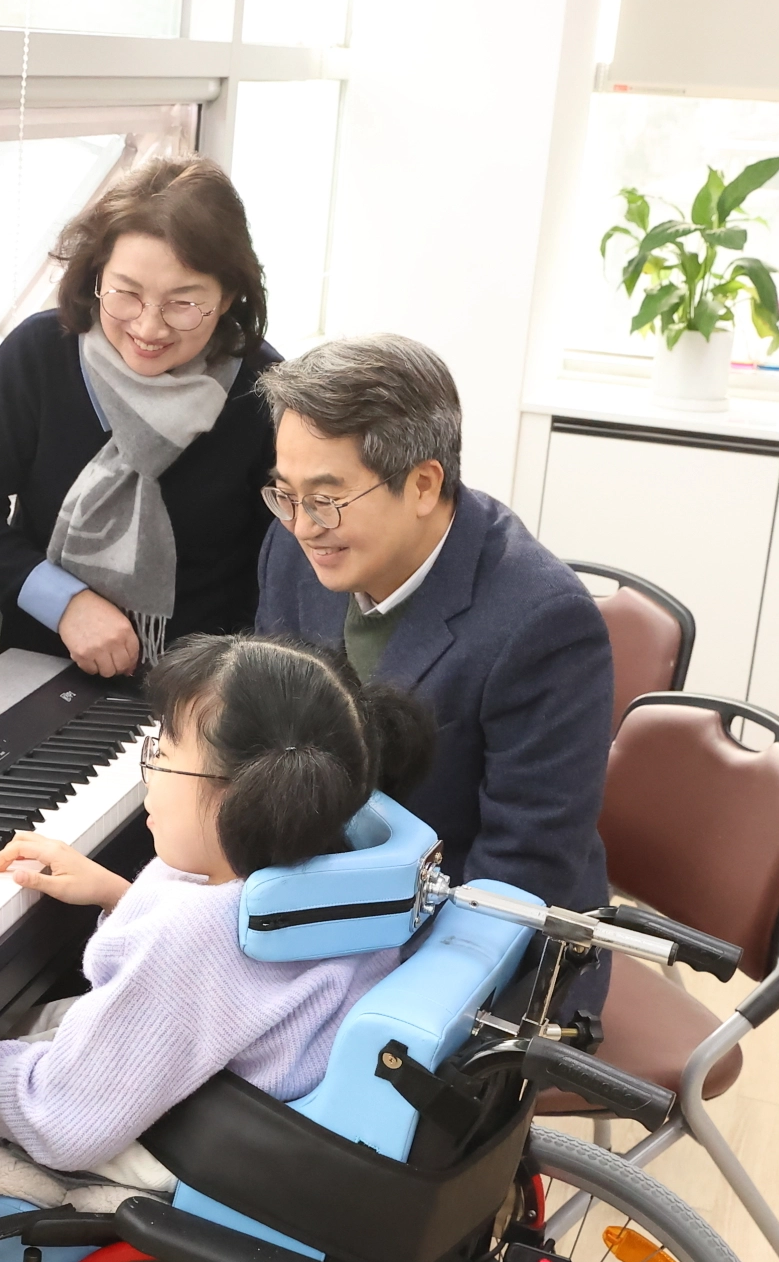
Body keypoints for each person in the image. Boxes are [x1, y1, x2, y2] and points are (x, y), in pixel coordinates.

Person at [0, 633, 436, 1262]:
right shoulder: (334, 874)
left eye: (162, 751)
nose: (148, 767)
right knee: (40, 1024)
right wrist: (119, 894)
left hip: (196, 1149)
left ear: (235, 795)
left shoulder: (191, 937)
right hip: (268, 1106)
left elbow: (62, 1123)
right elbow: (232, 970)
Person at [252, 334, 614, 908]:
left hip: (459, 932)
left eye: (327, 498)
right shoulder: (294, 548)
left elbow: (521, 873)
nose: (301, 525)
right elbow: (263, 734)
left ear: (423, 485)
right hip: (316, 895)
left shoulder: (544, 625)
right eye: (286, 495)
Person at [0, 158, 279, 678]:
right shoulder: (40, 356)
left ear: (226, 297)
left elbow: (281, 565)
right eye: (127, 293)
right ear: (95, 278)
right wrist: (64, 602)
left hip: (205, 689)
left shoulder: (263, 391)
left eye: (183, 303)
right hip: (44, 668)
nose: (149, 326)